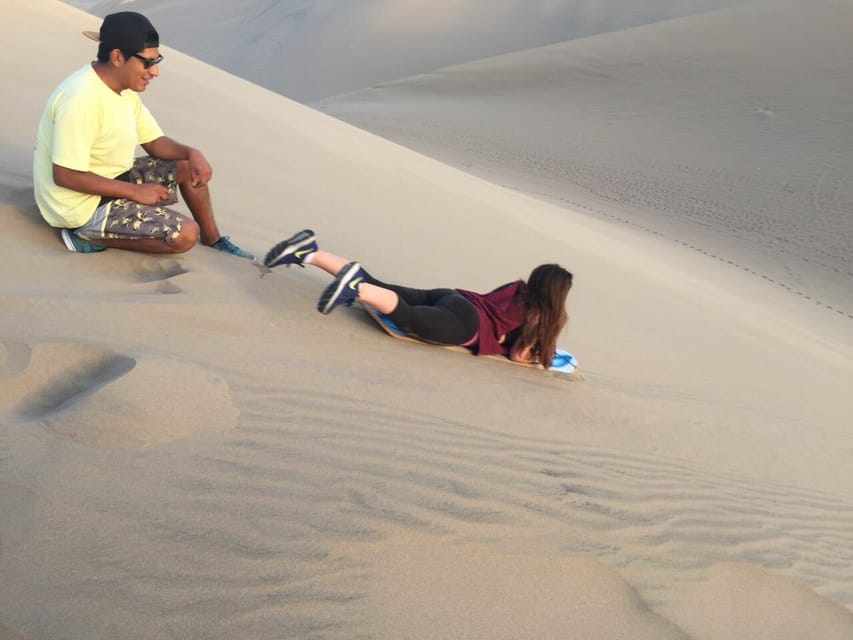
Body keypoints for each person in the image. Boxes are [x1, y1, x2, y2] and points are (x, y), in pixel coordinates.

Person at [32, 11, 253, 259]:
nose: (154, 72)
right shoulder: (81, 99)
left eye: (157, 61)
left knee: (188, 166)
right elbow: (65, 175)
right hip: (78, 206)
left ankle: (214, 240)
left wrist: (193, 153)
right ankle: (85, 233)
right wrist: (135, 192)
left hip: (110, 177)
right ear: (117, 57)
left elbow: (155, 143)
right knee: (184, 235)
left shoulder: (122, 90)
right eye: (147, 62)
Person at [264, 230, 573, 368]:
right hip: (466, 325)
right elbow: (519, 355)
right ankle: (354, 290)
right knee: (408, 318)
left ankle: (310, 251)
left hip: (452, 297)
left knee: (380, 284)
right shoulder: (540, 317)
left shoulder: (518, 289)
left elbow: (497, 311)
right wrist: (537, 350)